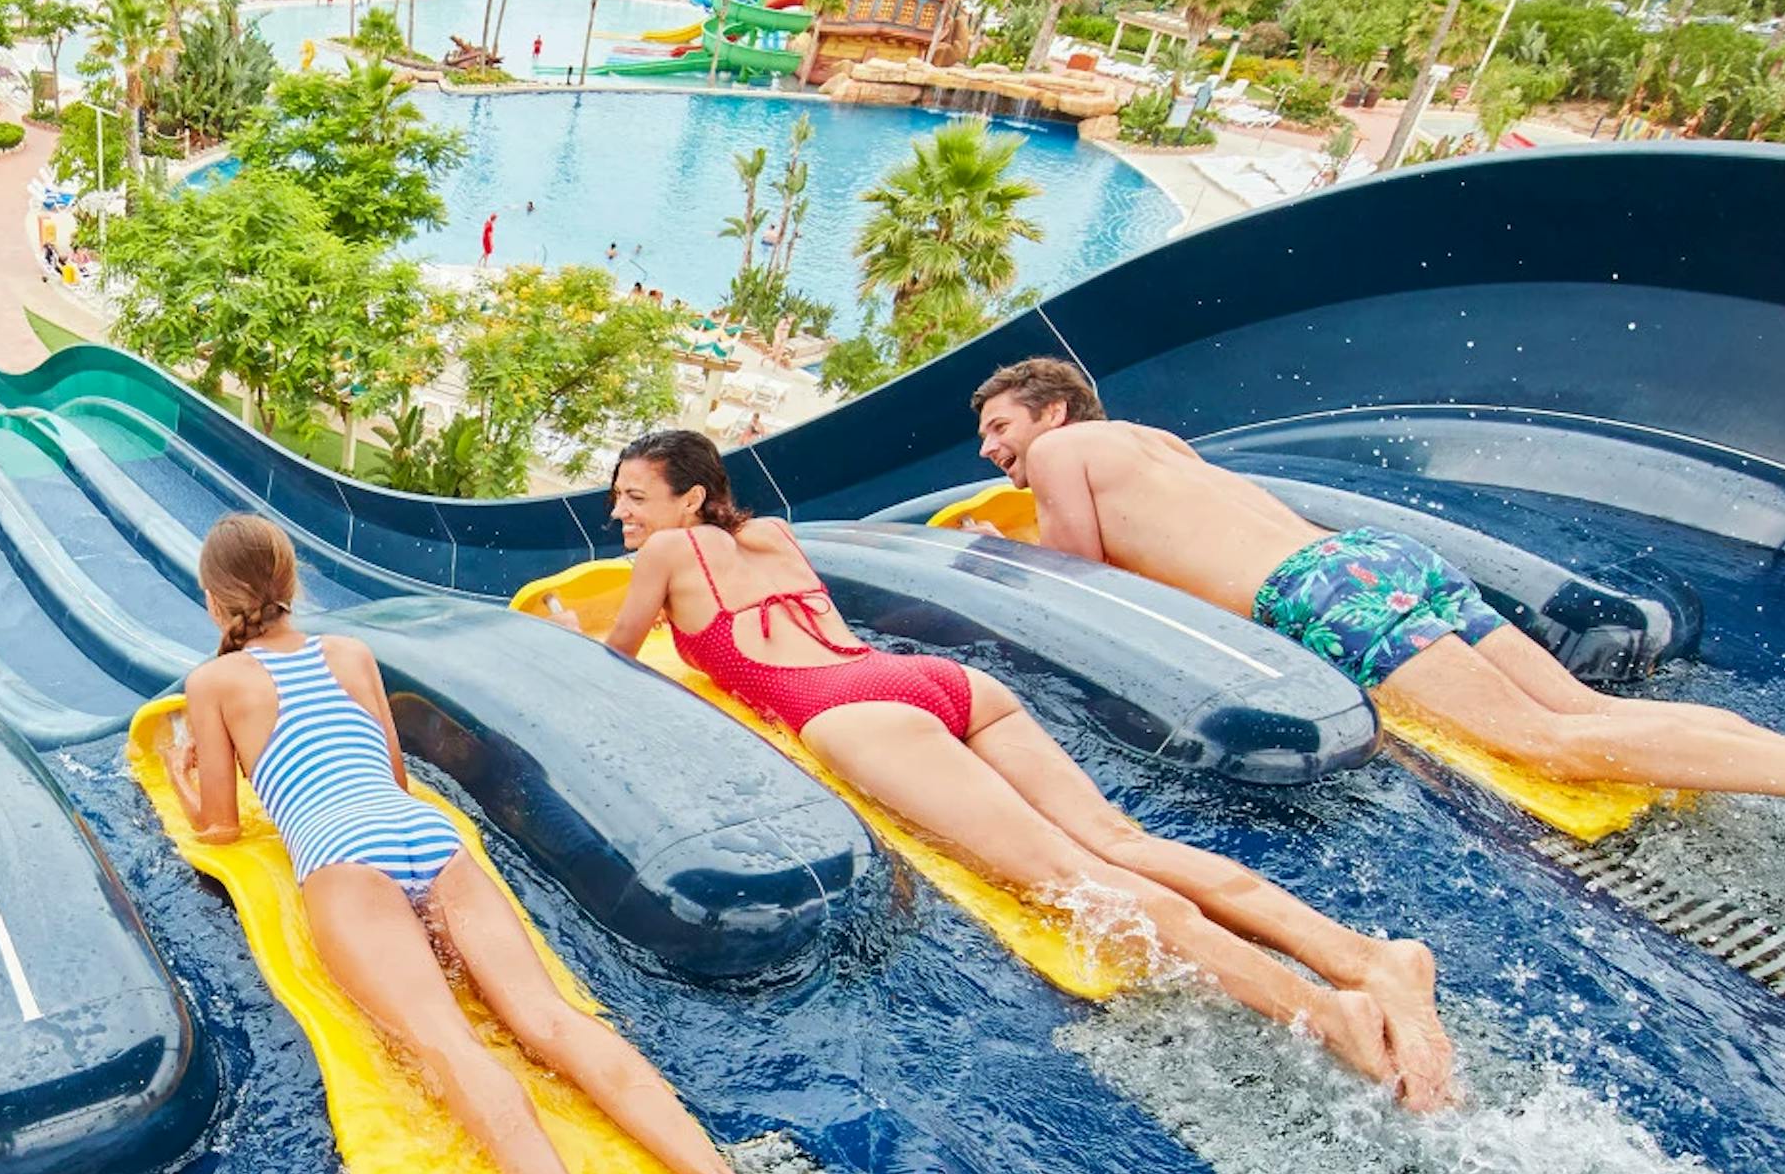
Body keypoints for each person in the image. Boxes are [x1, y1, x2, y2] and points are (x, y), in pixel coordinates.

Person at [161, 516, 858, 1174]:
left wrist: (189, 774)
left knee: (450, 1045)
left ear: (215, 595)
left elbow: (219, 824)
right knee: (547, 1020)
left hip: (341, 857)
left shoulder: (214, 681)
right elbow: (400, 779)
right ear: (289, 575)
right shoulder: (350, 655)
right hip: (423, 836)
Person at [968, 356, 1785, 919]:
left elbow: (1079, 577)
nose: (994, 450)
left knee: (1546, 745)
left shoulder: (1069, 454)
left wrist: (991, 537)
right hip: (1377, 563)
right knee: (1591, 714)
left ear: (1051, 410)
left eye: (1001, 430)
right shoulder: (1152, 443)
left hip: (1317, 595)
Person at [583, 431, 1455, 1106]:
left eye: (635, 496)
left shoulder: (663, 554)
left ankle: (1324, 1013)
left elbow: (617, 660)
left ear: (691, 497)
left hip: (852, 711)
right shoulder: (773, 533)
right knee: (1122, 840)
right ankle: (1370, 958)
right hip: (941, 684)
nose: (621, 513)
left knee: (1070, 878)